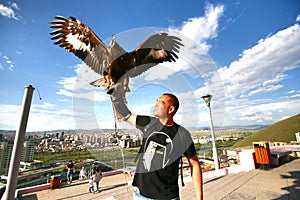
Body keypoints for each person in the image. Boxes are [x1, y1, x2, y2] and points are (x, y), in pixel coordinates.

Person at [111, 82, 203, 200]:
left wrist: (199, 197)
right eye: (156, 100)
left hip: (167, 196)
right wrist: (116, 96)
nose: (156, 103)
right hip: (140, 194)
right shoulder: (149, 123)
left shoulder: (182, 134)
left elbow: (194, 164)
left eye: (161, 102)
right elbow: (125, 115)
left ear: (170, 109)